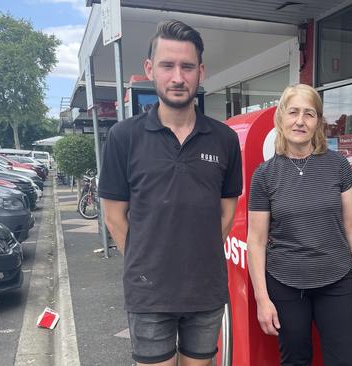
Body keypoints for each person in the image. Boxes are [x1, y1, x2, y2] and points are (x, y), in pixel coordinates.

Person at [98, 20, 242, 366]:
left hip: (205, 288)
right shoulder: (123, 137)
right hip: (148, 292)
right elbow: (114, 215)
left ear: (201, 71)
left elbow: (226, 214)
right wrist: (147, 261)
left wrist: (196, 252)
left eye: (187, 66)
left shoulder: (224, 140)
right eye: (167, 65)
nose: (178, 77)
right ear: (150, 69)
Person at [247, 84, 352, 366]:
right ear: (281, 118)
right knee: (295, 360)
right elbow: (256, 241)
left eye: (309, 114)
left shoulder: (337, 165)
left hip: (335, 281)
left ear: (318, 122)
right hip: (285, 284)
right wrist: (262, 299)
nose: (300, 121)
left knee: (344, 360)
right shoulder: (265, 176)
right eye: (293, 112)